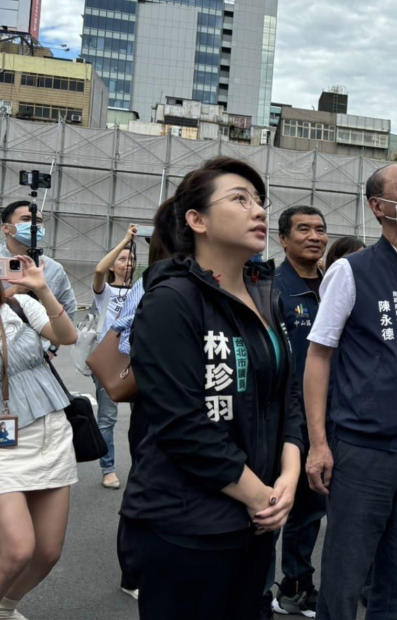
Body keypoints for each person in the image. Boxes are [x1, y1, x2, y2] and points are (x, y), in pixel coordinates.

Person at [118, 157, 304, 620]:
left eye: (260, 200)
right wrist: (258, 494)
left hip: (255, 521)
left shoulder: (266, 298)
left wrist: (289, 475)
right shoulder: (171, 300)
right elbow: (181, 423)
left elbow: (288, 396)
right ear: (196, 221)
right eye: (240, 200)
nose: (258, 210)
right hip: (186, 525)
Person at [303, 163, 397, 620]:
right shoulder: (351, 271)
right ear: (379, 206)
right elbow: (319, 356)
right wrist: (318, 443)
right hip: (363, 449)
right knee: (345, 572)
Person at [0, 255, 79, 620]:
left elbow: (68, 336)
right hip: (4, 445)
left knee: (48, 551)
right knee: (18, 549)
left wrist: (42, 288)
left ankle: (6, 607)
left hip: (50, 430)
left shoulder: (21, 302)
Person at [109, 201, 178, 602]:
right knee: (147, 481)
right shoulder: (152, 281)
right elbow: (124, 333)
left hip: (170, 397)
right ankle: (132, 572)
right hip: (152, 398)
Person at [263, 205, 329, 618]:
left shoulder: (335, 286)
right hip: (280, 416)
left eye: (320, 229)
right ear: (283, 239)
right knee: (273, 503)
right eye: (302, 229)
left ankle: (297, 581)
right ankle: (257, 586)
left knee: (310, 507)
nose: (314, 236)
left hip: (327, 415)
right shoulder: (269, 288)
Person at [92, 224, 138, 490]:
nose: (127, 262)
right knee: (107, 418)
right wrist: (125, 241)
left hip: (135, 357)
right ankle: (108, 468)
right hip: (109, 359)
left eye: (131, 259)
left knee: (140, 415)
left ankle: (139, 464)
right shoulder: (105, 292)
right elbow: (99, 270)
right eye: (122, 259)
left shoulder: (141, 290)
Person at [0, 201, 77, 322]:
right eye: (26, 219)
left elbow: (69, 309)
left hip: (41, 337)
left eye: (39, 221)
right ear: (6, 227)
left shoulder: (54, 268)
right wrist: (13, 291)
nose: (34, 225)